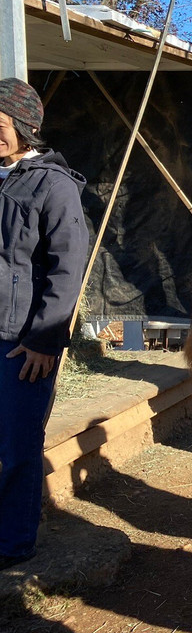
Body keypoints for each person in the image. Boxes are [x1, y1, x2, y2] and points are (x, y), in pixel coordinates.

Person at [0, 78, 89, 570]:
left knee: (17, 445)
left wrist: (44, 341)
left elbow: (67, 267)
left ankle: (13, 543)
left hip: (21, 342)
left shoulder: (52, 185)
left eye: (0, 127)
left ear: (26, 129)